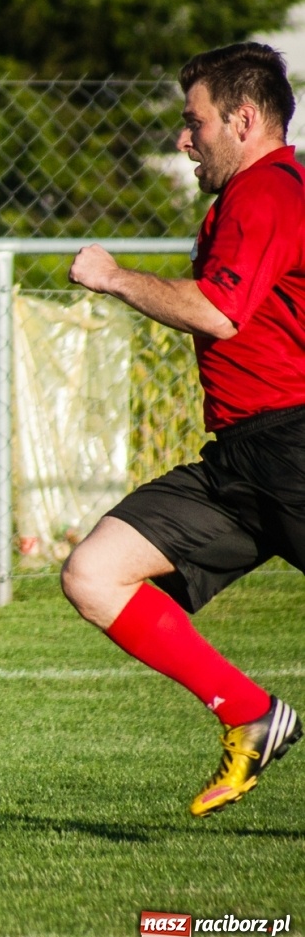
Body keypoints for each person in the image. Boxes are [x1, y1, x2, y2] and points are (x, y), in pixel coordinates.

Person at [65, 42, 303, 816]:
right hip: (242, 459)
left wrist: (113, 277)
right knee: (96, 572)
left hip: (293, 447)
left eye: (193, 121)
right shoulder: (252, 195)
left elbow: (217, 311)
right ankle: (251, 715)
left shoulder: (267, 190)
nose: (182, 138)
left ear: (242, 118)